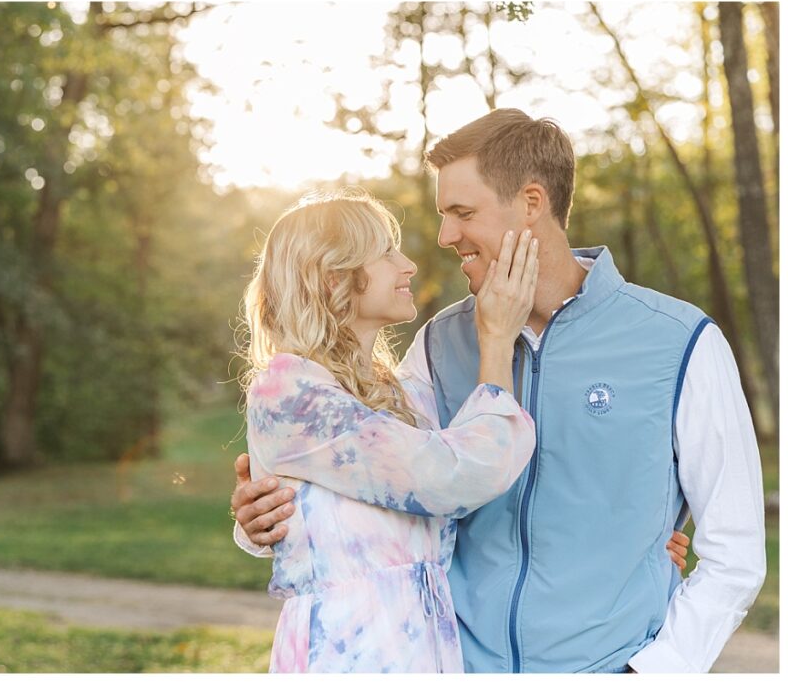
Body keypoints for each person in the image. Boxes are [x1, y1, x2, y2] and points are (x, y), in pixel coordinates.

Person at [231, 109, 765, 673]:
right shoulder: (439, 345)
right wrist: (264, 521)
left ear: (531, 204)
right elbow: (380, 479)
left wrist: (658, 669)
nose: (443, 237)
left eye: (462, 213)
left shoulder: (678, 342)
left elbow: (735, 553)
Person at [239, 190, 540, 672]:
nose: (408, 266)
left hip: (425, 648)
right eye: (385, 252)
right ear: (334, 276)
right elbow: (452, 477)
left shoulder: (404, 394)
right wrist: (498, 340)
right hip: (348, 651)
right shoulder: (290, 393)